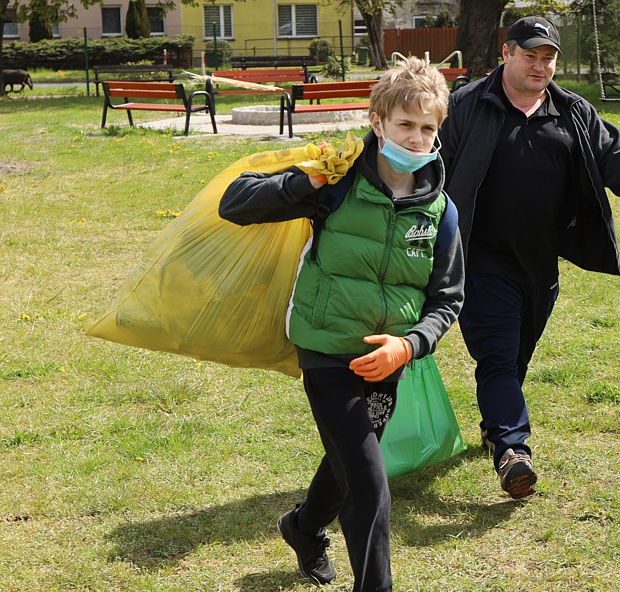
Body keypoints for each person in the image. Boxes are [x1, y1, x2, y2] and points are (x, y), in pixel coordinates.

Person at [219, 57, 464, 592]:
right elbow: (233, 203)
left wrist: (409, 346)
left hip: (387, 364)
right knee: (371, 485)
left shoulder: (440, 212)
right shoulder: (336, 180)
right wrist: (298, 183)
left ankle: (303, 527)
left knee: (349, 461)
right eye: (405, 125)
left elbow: (447, 299)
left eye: (428, 128)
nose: (417, 138)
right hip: (327, 352)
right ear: (378, 123)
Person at [438, 16, 620, 500]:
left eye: (548, 58)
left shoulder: (572, 111)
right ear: (506, 53)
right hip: (479, 256)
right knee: (497, 353)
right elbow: (426, 155)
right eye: (530, 55)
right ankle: (512, 450)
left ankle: (495, 422)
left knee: (517, 352)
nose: (540, 66)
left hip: (541, 258)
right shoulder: (467, 106)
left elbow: (614, 152)